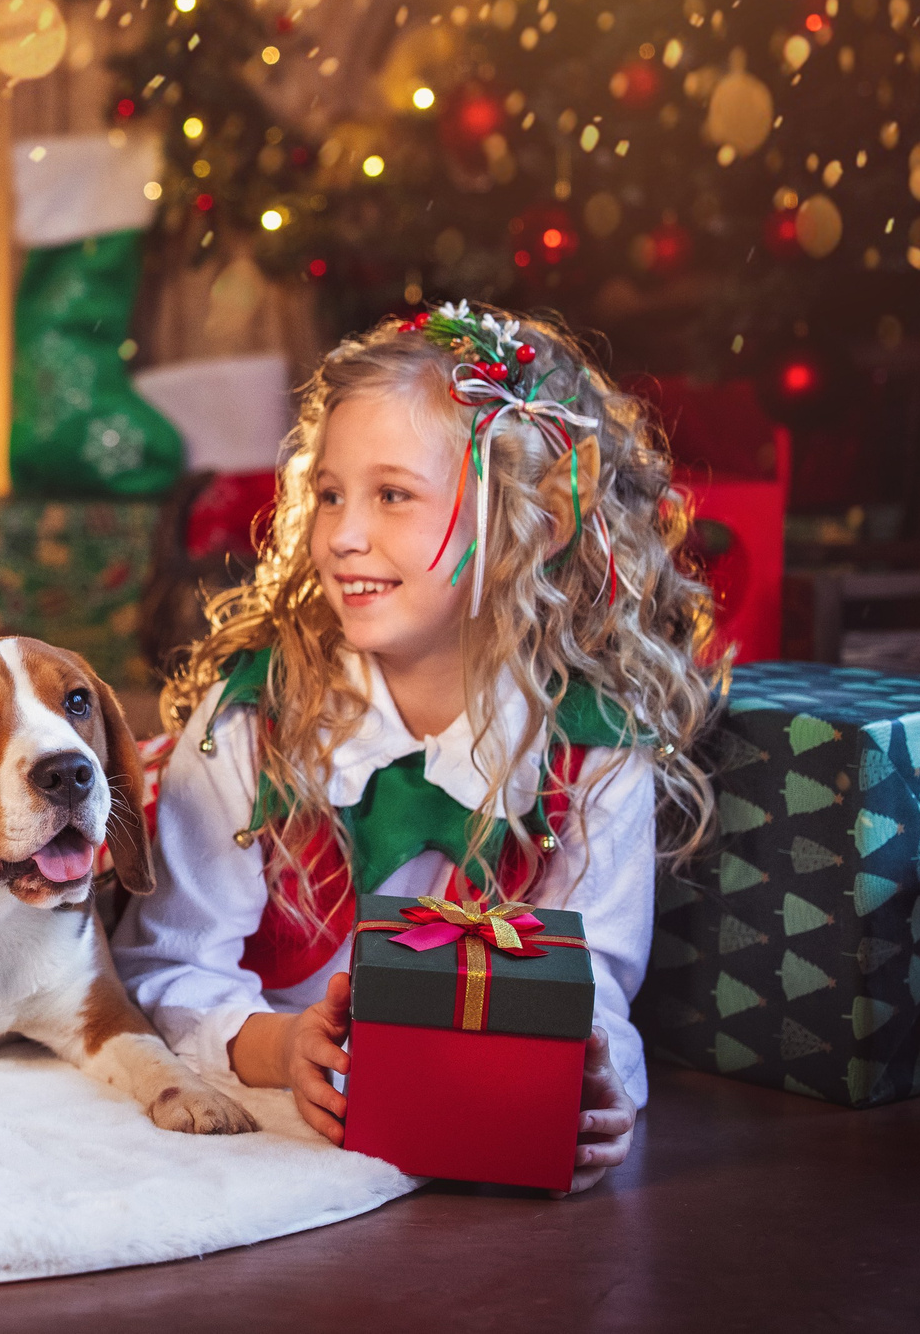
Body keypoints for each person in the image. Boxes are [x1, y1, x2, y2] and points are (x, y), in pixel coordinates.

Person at [114, 303, 721, 1193]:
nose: (343, 535)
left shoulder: (591, 756)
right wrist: (282, 1048)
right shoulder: (252, 719)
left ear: (537, 524)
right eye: (329, 494)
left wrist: (596, 1093)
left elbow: (594, 993)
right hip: (280, 1124)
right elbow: (164, 963)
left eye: (392, 494)